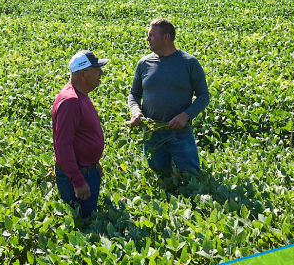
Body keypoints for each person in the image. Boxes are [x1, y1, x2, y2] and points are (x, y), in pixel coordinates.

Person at [127, 18, 210, 174]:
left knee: (190, 176)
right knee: (160, 177)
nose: (147, 39)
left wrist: (185, 116)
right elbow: (134, 94)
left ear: (166, 38)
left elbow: (204, 95)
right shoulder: (144, 63)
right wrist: (135, 112)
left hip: (180, 133)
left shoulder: (189, 63)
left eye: (151, 35)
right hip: (152, 133)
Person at [51, 50, 108, 217]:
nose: (101, 74)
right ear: (83, 74)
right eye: (97, 70)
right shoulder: (71, 101)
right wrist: (78, 181)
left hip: (86, 170)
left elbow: (80, 137)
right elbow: (63, 145)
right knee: (85, 225)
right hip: (79, 175)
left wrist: (93, 162)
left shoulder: (79, 95)